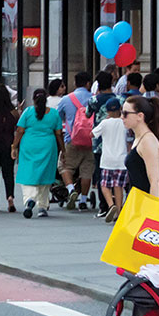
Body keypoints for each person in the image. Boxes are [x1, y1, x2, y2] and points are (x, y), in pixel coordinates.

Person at [16, 88, 64, 218]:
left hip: (29, 145)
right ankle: (42, 206)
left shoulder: (28, 112)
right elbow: (59, 133)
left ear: (33, 99)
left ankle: (29, 199)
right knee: (45, 174)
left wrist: (14, 146)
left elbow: (20, 130)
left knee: (28, 172)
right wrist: (63, 150)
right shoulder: (54, 114)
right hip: (48, 145)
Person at [61, 72, 105, 212]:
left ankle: (71, 189)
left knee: (64, 166)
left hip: (72, 139)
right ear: (88, 84)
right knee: (87, 170)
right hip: (91, 139)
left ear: (75, 83)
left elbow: (58, 117)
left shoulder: (66, 99)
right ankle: (83, 200)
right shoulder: (94, 99)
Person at [124, 97, 159, 201]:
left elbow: (155, 181)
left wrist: (152, 211)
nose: (122, 117)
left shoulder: (148, 141)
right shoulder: (140, 138)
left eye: (125, 113)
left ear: (140, 116)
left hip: (144, 203)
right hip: (138, 201)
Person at [97, 100, 130, 220]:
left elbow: (92, 134)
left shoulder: (105, 123)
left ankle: (111, 205)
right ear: (120, 108)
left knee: (104, 185)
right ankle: (119, 211)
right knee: (118, 185)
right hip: (121, 159)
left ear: (108, 111)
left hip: (107, 160)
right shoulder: (124, 123)